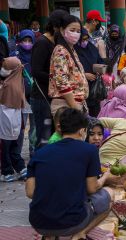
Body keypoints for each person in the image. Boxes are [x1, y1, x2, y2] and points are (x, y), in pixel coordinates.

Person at [26, 108, 116, 240]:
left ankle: (49, 237)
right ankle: (80, 234)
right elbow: (91, 188)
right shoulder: (89, 150)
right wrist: (106, 176)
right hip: (72, 222)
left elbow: (30, 192)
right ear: (82, 130)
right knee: (109, 195)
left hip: (38, 222)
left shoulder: (39, 153)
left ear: (60, 128)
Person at [31, 9, 69, 149]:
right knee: (43, 136)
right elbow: (36, 71)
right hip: (41, 97)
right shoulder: (42, 42)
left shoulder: (56, 43)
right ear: (55, 27)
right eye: (63, 28)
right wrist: (58, 79)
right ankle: (37, 167)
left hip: (53, 96)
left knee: (53, 135)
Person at [48, 15, 88, 116]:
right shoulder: (61, 51)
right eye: (72, 30)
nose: (76, 34)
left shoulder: (71, 50)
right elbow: (62, 82)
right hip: (67, 105)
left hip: (75, 103)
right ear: (62, 30)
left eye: (78, 31)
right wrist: (74, 106)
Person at [10, 29, 36, 155]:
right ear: (19, 41)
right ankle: (17, 154)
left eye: (29, 41)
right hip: (20, 97)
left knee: (35, 126)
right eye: (24, 40)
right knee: (20, 126)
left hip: (35, 96)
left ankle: (34, 150)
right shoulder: (14, 55)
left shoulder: (37, 54)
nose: (27, 43)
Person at [0, 57, 26, 182]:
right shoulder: (19, 82)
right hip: (16, 122)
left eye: (6, 67)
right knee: (14, 146)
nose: (3, 70)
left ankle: (7, 172)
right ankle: (21, 168)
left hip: (5, 122)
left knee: (4, 147)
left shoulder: (6, 85)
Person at [74, 28, 104, 117]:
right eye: (82, 39)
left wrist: (100, 70)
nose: (85, 41)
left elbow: (100, 60)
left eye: (87, 39)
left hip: (94, 87)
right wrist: (83, 75)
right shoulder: (73, 50)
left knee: (95, 112)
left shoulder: (91, 47)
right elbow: (70, 69)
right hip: (80, 87)